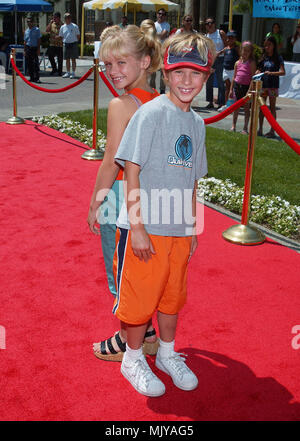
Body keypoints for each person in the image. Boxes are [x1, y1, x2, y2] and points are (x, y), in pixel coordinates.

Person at [112, 32, 216, 397]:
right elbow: (133, 170)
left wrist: (192, 230)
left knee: (173, 297)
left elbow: (191, 182)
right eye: (180, 73)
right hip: (147, 228)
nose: (187, 81)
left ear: (207, 77)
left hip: (177, 229)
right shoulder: (151, 113)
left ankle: (168, 355)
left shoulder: (197, 125)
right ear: (167, 74)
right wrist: (136, 227)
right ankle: (133, 358)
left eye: (196, 74)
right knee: (140, 299)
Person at [87, 25, 161, 361]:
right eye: (107, 65)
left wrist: (95, 202)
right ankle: (145, 333)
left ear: (144, 61)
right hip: (150, 200)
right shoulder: (161, 101)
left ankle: (124, 339)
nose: (113, 72)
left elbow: (110, 161)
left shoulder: (122, 104)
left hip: (119, 197)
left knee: (119, 271)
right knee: (142, 270)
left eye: (121, 63)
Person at [257, 36, 285, 138]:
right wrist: (258, 72)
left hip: (273, 86)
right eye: (265, 45)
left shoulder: (278, 58)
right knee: (262, 107)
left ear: (274, 45)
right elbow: (260, 69)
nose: (267, 47)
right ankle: (260, 129)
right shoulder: (263, 57)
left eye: (269, 45)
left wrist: (271, 73)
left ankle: (272, 130)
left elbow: (282, 72)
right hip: (264, 86)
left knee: (272, 108)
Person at [229, 41, 256, 134]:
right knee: (235, 107)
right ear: (241, 51)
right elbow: (234, 76)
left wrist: (249, 90)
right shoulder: (237, 63)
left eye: (248, 51)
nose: (245, 53)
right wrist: (231, 89)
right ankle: (233, 125)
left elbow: (253, 78)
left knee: (246, 108)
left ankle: (245, 127)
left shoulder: (251, 63)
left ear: (250, 52)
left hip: (246, 87)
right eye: (244, 51)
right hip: (237, 86)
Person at [205, 17, 227, 109]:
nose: (209, 25)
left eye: (211, 23)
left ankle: (221, 102)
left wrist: (220, 52)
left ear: (215, 24)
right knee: (209, 82)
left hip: (220, 59)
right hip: (210, 60)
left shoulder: (220, 33)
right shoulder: (206, 36)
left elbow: (227, 46)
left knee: (220, 81)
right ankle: (210, 102)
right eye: (207, 23)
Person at [218, 30, 240, 112]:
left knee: (233, 88)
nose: (230, 40)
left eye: (232, 38)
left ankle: (233, 104)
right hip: (226, 70)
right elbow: (219, 53)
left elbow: (241, 57)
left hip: (233, 70)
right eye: (228, 38)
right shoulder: (226, 48)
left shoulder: (237, 49)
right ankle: (226, 104)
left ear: (235, 39)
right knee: (227, 88)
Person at [150, 8, 170, 94]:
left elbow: (162, 35)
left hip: (163, 50)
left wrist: (154, 35)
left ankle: (162, 91)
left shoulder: (166, 25)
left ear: (165, 16)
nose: (161, 15)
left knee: (163, 72)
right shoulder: (153, 25)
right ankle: (152, 90)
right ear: (157, 14)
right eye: (159, 13)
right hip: (154, 50)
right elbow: (150, 36)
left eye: (163, 14)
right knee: (152, 72)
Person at [59, 13, 80, 79]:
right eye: (66, 18)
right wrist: (65, 41)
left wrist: (74, 41)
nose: (68, 19)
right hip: (66, 44)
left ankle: (73, 72)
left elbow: (78, 35)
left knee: (73, 59)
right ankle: (68, 72)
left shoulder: (74, 26)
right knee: (67, 59)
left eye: (69, 17)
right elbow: (61, 36)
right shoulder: (62, 27)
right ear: (64, 19)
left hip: (73, 43)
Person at [24, 17, 41, 83]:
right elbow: (25, 41)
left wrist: (38, 49)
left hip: (34, 48)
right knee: (29, 63)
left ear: (33, 22)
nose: (29, 23)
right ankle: (31, 77)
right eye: (27, 21)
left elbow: (39, 40)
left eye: (30, 21)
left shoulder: (37, 30)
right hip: (28, 48)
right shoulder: (26, 31)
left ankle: (37, 78)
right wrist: (24, 50)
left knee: (35, 63)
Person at [46, 12, 63, 76]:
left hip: (59, 44)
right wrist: (50, 23)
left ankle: (60, 71)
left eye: (55, 17)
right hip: (52, 44)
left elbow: (64, 34)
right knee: (50, 56)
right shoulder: (52, 24)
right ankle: (54, 68)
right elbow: (47, 30)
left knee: (60, 58)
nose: (54, 19)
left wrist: (59, 37)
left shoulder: (62, 25)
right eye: (53, 17)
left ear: (59, 18)